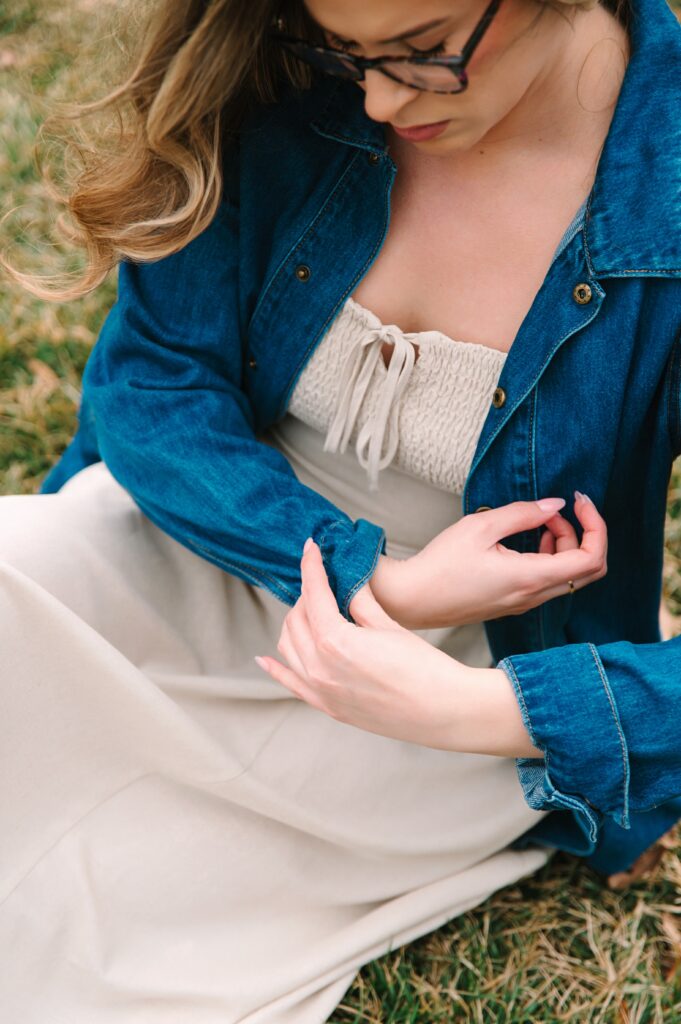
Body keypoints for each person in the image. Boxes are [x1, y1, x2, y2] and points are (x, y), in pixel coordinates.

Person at [1, 0, 680, 1019]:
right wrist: (372, 579)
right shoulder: (287, 66)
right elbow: (153, 384)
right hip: (211, 543)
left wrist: (493, 713)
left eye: (422, 53)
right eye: (348, 52)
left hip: (436, 683)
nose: (375, 96)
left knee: (113, 922)